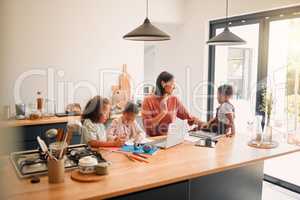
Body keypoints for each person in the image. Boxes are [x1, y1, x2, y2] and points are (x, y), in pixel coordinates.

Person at [141, 71, 203, 136]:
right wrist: (163, 112)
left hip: (169, 139)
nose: (174, 87)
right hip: (153, 141)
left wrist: (202, 123)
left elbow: (188, 116)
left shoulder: (174, 99)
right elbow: (148, 126)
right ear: (163, 84)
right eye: (172, 84)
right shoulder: (148, 100)